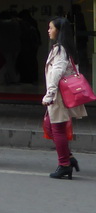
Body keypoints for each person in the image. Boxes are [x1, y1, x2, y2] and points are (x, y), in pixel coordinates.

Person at [42, 16, 86, 179]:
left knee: (57, 128)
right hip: (60, 94)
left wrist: (49, 94)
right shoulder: (65, 48)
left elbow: (57, 73)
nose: (48, 30)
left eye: (51, 28)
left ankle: (64, 165)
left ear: (58, 31)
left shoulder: (60, 50)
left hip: (59, 95)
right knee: (50, 126)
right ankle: (69, 158)